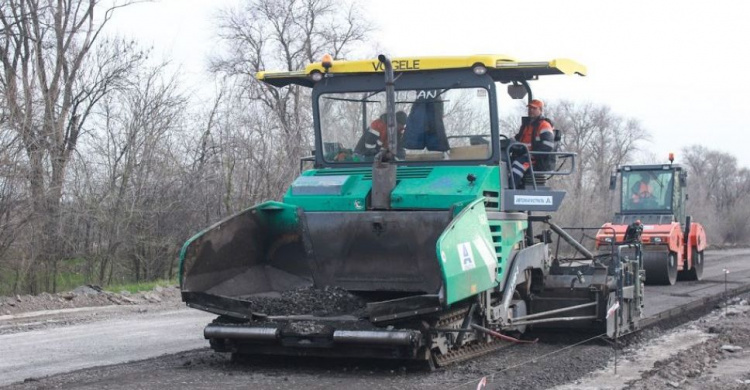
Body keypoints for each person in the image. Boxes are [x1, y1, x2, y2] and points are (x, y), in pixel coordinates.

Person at [509, 99, 555, 188]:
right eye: (530, 108)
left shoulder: (544, 125)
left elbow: (548, 146)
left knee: (517, 164)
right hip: (525, 155)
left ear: (540, 110)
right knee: (504, 161)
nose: (531, 110)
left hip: (537, 159)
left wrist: (532, 155)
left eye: (534, 108)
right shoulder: (527, 125)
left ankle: (512, 189)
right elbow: (518, 138)